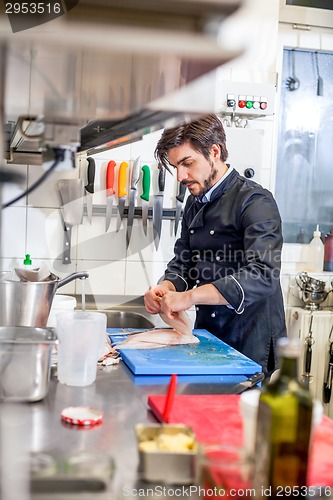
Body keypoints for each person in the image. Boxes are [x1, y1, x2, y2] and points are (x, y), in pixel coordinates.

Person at [144, 114, 286, 377]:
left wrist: (188, 297)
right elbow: (183, 263)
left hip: (251, 343)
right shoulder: (194, 203)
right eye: (176, 166)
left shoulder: (255, 201)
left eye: (187, 163)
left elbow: (263, 274)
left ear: (214, 152)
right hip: (210, 336)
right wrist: (165, 289)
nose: (181, 175)